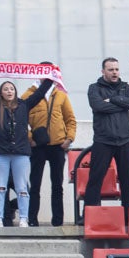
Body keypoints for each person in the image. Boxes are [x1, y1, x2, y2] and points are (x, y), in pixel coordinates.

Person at [0, 75, 53, 227]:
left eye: (12, 89)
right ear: (1, 93)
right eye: (6, 89)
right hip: (0, 153)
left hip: (20, 153)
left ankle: (23, 218)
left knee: (22, 187)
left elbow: (40, 93)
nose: (9, 91)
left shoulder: (25, 104)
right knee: (0, 187)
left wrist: (49, 78)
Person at [86, 58, 129, 214]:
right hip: (103, 141)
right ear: (103, 71)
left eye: (116, 69)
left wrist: (114, 99)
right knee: (95, 179)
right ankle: (89, 214)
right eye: (110, 70)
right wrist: (122, 105)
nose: (114, 72)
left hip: (124, 141)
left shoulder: (125, 87)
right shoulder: (94, 88)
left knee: (127, 181)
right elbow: (98, 106)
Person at [23, 72, 77, 227]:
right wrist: (30, 139)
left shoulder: (60, 95)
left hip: (57, 146)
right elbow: (21, 120)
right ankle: (32, 220)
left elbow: (70, 119)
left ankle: (58, 221)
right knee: (35, 184)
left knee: (57, 185)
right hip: (38, 146)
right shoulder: (28, 95)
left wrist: (69, 139)